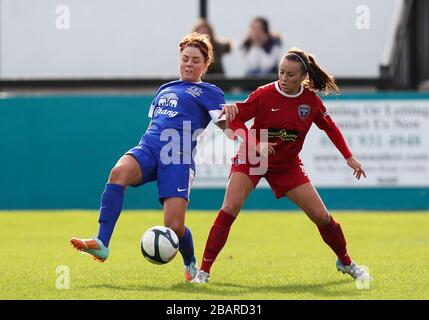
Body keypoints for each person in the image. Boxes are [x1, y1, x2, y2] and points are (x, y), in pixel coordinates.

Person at [192, 47, 372, 283]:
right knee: (229, 208)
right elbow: (234, 119)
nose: (284, 79)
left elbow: (329, 126)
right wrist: (252, 140)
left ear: (303, 78)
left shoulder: (310, 101)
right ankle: (203, 272)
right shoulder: (264, 94)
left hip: (287, 165)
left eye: (290, 75)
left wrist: (348, 156)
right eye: (281, 72)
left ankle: (346, 262)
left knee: (322, 217)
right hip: (252, 158)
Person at [70, 33, 228, 282]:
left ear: (206, 64)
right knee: (118, 173)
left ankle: (190, 263)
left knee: (174, 228)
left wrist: (251, 140)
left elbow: (225, 125)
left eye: (196, 60)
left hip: (177, 157)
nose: (189, 63)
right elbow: (156, 124)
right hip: (149, 148)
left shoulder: (210, 92)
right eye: (185, 58)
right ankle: (102, 242)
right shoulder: (165, 89)